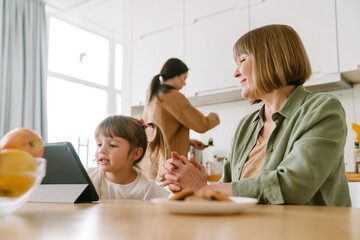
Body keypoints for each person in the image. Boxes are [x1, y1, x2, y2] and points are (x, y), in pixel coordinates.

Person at [160, 24, 351, 206]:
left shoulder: (322, 110)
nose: (235, 73)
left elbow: (294, 185)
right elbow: (227, 189)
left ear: (272, 58)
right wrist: (193, 182)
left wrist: (203, 188)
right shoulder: (246, 125)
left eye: (242, 60)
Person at [141, 58, 220, 180]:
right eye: (184, 78)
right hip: (168, 167)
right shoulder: (173, 96)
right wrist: (215, 116)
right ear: (175, 77)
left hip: (151, 166)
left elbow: (160, 133)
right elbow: (202, 125)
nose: (185, 83)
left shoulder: (152, 98)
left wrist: (188, 141)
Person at [87, 115, 170, 200]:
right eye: (99, 144)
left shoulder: (147, 188)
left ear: (135, 154)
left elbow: (173, 202)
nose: (102, 150)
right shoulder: (89, 177)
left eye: (112, 145)